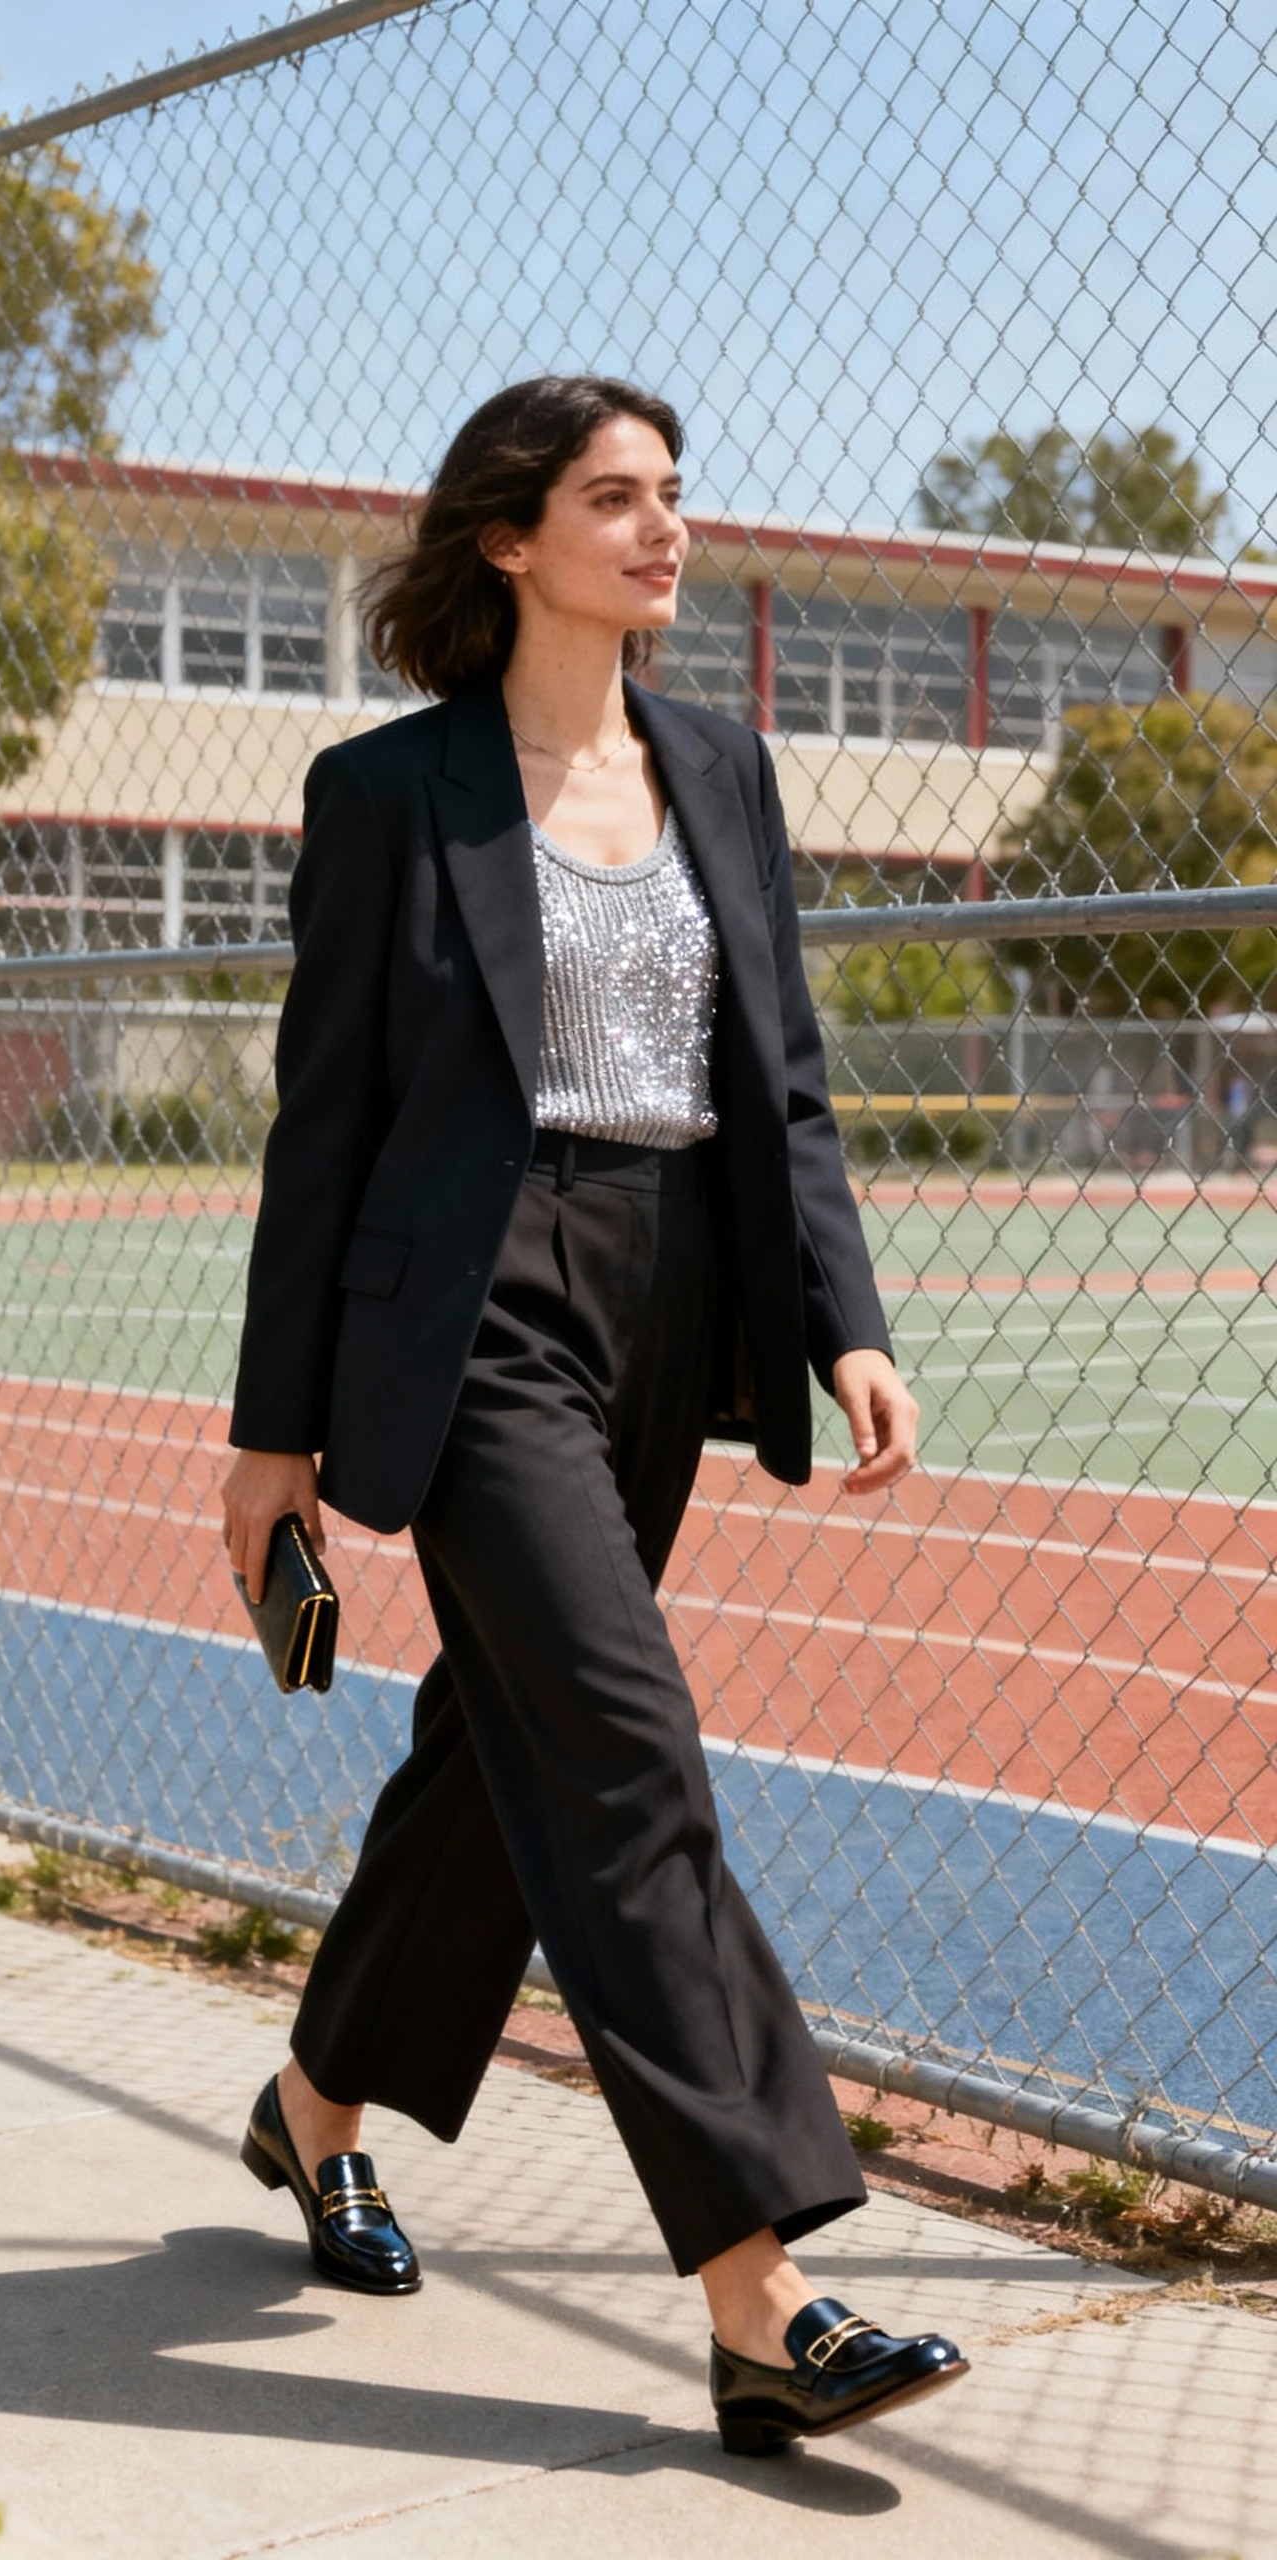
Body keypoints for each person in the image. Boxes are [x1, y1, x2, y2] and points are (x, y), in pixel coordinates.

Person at [222, 375, 968, 2455]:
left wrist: (845, 1321)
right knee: (626, 1745)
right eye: (614, 499)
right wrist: (268, 1435)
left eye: (673, 495)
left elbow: (787, 1079)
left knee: (504, 1746)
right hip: (469, 1312)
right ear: (508, 539)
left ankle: (311, 2109)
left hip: (672, 1300)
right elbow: (324, 1133)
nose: (664, 531)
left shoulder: (720, 765)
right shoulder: (388, 794)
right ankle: (763, 2289)